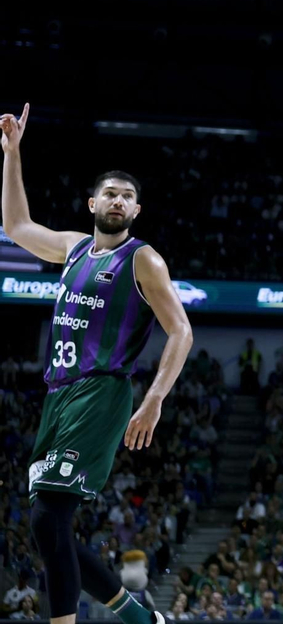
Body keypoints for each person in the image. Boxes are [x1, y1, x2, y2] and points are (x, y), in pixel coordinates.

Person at [1, 103, 193, 624]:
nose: (119, 200)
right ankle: (138, 617)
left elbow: (181, 329)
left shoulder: (143, 259)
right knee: (48, 527)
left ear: (136, 212)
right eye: (111, 192)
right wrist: (12, 153)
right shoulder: (73, 248)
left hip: (102, 392)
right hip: (58, 396)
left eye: (129, 197)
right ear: (92, 202)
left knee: (48, 517)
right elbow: (16, 224)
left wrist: (154, 399)